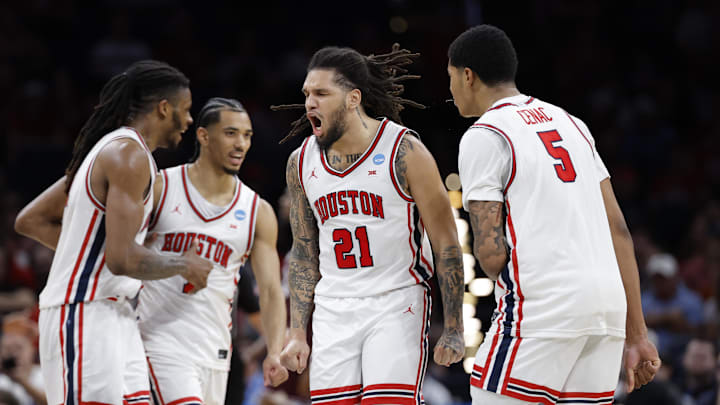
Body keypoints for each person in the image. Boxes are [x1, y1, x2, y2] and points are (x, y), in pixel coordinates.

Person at [446, 25, 661, 404]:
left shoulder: (485, 134)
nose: (450, 90)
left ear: (467, 76)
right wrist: (638, 334)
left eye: (450, 78)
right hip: (605, 312)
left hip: (543, 309)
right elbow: (619, 230)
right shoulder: (572, 123)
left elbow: (490, 251)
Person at [13, 60, 213, 405]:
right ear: (164, 109)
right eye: (186, 110)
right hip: (84, 312)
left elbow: (31, 220)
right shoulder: (127, 155)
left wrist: (90, 248)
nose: (190, 120)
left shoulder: (111, 151)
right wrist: (185, 264)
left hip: (116, 314)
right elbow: (122, 261)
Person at [276, 45, 465, 404]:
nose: (309, 103)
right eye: (306, 94)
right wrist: (297, 332)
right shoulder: (300, 162)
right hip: (333, 307)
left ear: (353, 98)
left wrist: (454, 327)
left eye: (321, 93)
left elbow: (446, 243)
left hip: (395, 300)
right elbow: (303, 250)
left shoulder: (404, 151)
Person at [137, 97, 288, 404]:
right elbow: (121, 253)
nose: (241, 144)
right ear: (204, 136)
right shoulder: (160, 187)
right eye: (231, 133)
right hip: (159, 343)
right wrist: (176, 263)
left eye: (247, 136)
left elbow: (271, 291)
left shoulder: (257, 211)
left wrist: (274, 350)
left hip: (216, 352)